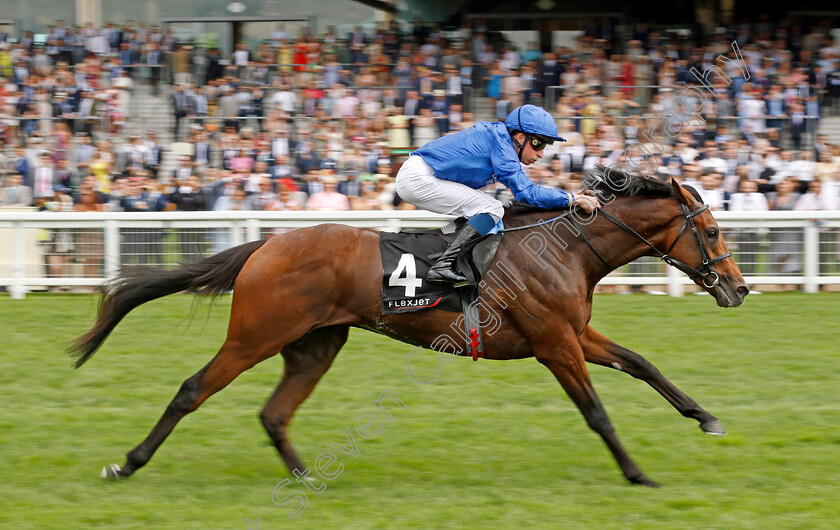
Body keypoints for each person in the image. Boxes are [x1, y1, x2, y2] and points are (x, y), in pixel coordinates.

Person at [396, 104, 600, 284]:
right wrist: (572, 199)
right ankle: (443, 266)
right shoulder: (502, 146)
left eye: (545, 146)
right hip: (419, 177)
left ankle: (439, 254)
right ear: (520, 137)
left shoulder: (500, 139)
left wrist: (570, 197)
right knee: (491, 208)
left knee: (487, 209)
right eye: (538, 144)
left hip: (421, 175)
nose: (541, 153)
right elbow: (527, 193)